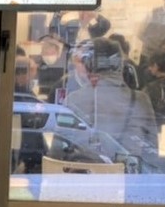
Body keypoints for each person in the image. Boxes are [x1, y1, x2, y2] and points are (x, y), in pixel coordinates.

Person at [59, 37, 158, 169]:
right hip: (129, 176)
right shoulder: (140, 100)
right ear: (121, 65)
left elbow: (58, 152)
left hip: (83, 177)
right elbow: (152, 154)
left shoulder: (73, 100)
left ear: (88, 65)